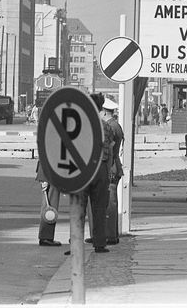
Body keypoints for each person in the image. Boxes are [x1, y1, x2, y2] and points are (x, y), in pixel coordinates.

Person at [83, 92, 114, 253]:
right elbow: (109, 150)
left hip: (82, 170)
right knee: (100, 208)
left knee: (78, 208)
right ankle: (100, 243)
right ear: (101, 107)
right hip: (100, 168)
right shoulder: (106, 126)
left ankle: (75, 242)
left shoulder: (81, 124)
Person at [103, 98, 124, 245]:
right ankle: (110, 234)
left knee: (110, 203)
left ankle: (110, 235)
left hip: (111, 167)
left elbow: (109, 150)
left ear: (104, 111)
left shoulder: (110, 127)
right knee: (109, 202)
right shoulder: (115, 125)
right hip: (114, 165)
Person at [35, 161, 61, 247]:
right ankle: (46, 236)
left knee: (50, 202)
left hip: (51, 170)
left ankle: (46, 235)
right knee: (50, 204)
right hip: (50, 171)